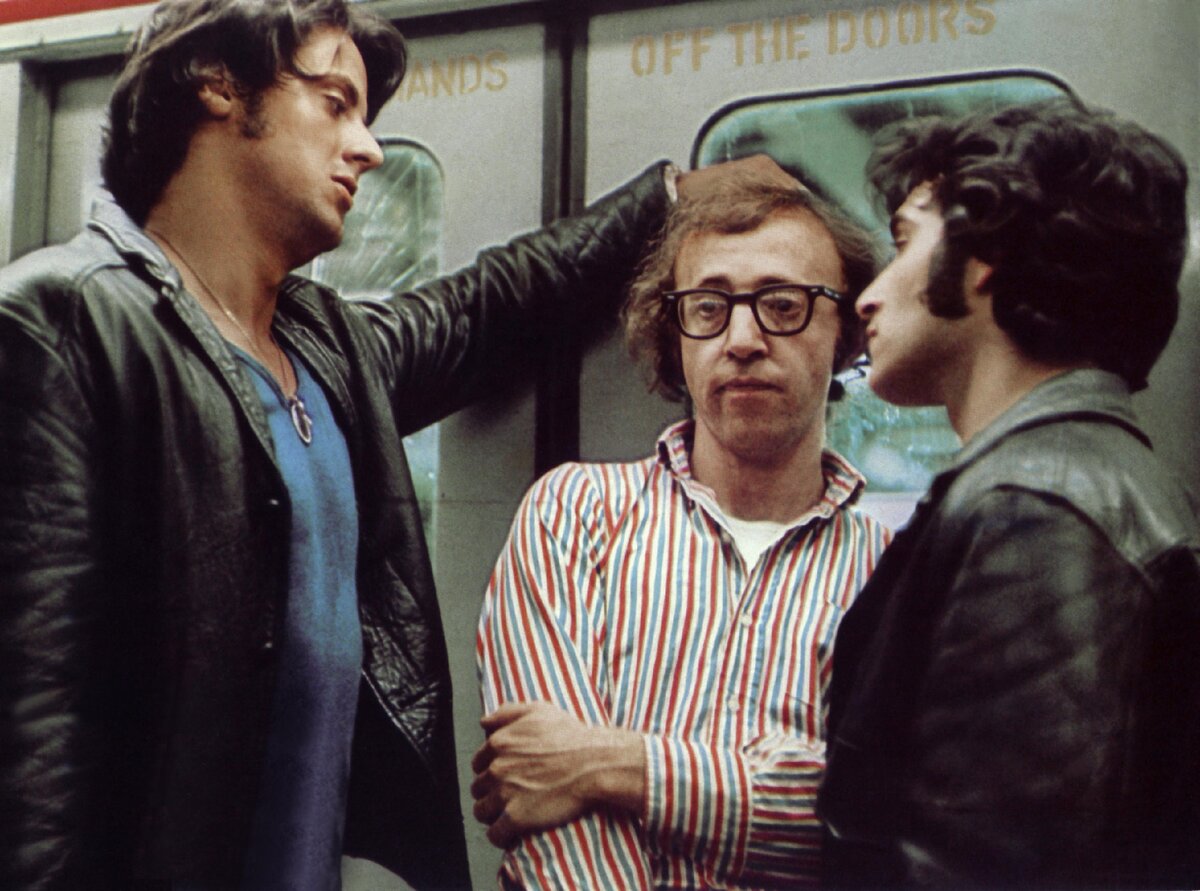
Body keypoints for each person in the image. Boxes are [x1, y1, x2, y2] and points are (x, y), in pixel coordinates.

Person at [0, 0, 756, 886]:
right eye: (335, 103)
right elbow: (32, 719)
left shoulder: (325, 346)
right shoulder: (65, 321)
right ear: (215, 82)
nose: (369, 148)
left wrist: (669, 202)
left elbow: (486, 306)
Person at [817, 99, 1200, 889]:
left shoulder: (1038, 508)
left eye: (905, 242)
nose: (868, 297)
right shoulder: (1063, 480)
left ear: (985, 254)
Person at [472, 171, 892, 888]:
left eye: (783, 305)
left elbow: (866, 829)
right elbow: (550, 817)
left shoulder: (892, 577)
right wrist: (759, 788)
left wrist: (616, 762)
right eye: (707, 307)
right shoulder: (574, 514)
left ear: (846, 332)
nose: (742, 339)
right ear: (676, 335)